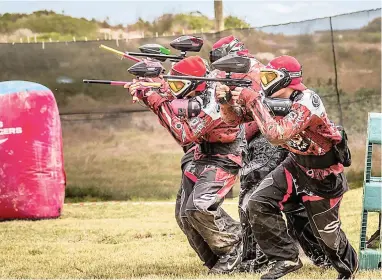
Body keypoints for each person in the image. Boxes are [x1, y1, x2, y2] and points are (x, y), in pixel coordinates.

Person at [216, 55, 358, 279]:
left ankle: (348, 269)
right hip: (295, 166)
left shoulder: (308, 101)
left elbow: (276, 135)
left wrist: (253, 99)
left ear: (287, 80)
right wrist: (226, 103)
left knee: (328, 237)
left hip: (324, 175)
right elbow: (233, 120)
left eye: (270, 77)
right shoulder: (267, 98)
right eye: (264, 76)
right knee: (258, 203)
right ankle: (286, 258)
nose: (264, 82)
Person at [126, 56, 244, 274]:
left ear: (195, 82)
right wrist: (147, 89)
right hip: (201, 155)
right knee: (184, 215)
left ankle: (236, 246)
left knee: (199, 206)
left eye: (180, 84)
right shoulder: (196, 88)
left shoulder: (213, 104)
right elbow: (171, 97)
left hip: (224, 158)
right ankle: (215, 260)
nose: (176, 89)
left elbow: (184, 134)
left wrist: (154, 99)